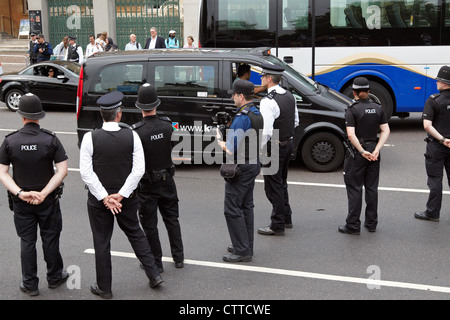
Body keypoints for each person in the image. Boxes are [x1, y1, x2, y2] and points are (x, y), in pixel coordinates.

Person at [79, 91, 163, 299]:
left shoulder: (90, 138)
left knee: (102, 242)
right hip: (127, 199)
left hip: (99, 202)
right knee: (136, 233)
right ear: (119, 114)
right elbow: (139, 170)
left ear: (102, 114)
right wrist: (121, 195)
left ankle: (104, 288)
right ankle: (154, 275)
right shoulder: (132, 135)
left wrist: (105, 197)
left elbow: (86, 173)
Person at [0, 93, 69, 296]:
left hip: (21, 202)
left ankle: (30, 284)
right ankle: (55, 277)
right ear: (39, 117)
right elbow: (63, 169)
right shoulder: (50, 139)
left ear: (22, 116)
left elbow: (3, 172)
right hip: (47, 200)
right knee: (50, 238)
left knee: (27, 242)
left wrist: (20, 193)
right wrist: (44, 192)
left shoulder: (10, 141)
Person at [131, 83, 184, 272]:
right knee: (172, 220)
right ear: (156, 104)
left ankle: (156, 262)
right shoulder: (168, 125)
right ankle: (179, 258)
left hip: (147, 186)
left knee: (150, 226)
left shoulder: (136, 132)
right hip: (168, 181)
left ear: (139, 107)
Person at [217, 80, 263, 262]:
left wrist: (219, 139)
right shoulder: (255, 112)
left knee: (232, 208)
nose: (232, 97)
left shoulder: (242, 117)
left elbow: (230, 148)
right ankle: (244, 244)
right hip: (253, 164)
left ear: (241, 96)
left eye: (234, 95)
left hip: (241, 168)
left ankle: (242, 250)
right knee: (246, 207)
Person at [338, 77, 390, 234]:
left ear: (354, 92)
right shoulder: (377, 107)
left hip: (358, 154)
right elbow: (386, 130)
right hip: (374, 151)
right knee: (372, 188)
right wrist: (377, 149)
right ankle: (371, 223)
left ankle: (353, 225)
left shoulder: (352, 109)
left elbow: (351, 135)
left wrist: (361, 151)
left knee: (355, 189)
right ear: (368, 91)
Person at [257, 62, 299, 236]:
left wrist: (260, 150)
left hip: (273, 146)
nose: (261, 79)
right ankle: (286, 217)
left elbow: (266, 131)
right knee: (282, 182)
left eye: (262, 76)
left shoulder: (268, 101)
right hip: (287, 143)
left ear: (268, 78)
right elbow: (296, 121)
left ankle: (277, 224)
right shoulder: (290, 96)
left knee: (272, 187)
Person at [414, 66, 450, 222]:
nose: (436, 83)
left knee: (435, 179)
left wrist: (442, 139)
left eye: (438, 80)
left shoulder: (433, 100)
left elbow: (427, 125)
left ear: (444, 83)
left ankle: (433, 212)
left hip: (437, 146)